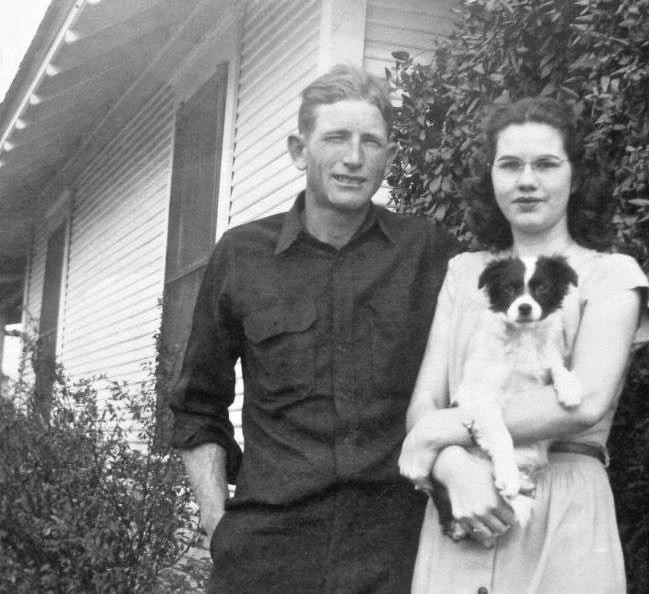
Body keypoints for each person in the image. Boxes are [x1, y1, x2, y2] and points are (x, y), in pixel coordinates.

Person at [169, 64, 460, 593]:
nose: (354, 158)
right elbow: (197, 405)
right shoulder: (242, 255)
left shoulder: (427, 253)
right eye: (336, 138)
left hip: (396, 550)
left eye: (371, 142)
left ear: (389, 157)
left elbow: (473, 378)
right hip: (268, 550)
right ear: (299, 150)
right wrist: (216, 521)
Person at [398, 96, 649, 593]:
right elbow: (426, 401)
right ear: (490, 178)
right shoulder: (465, 273)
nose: (526, 181)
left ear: (575, 177)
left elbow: (585, 401)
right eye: (509, 165)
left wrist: (434, 435)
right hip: (463, 498)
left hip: (562, 509)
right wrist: (452, 467)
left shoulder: (611, 275)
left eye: (546, 164)